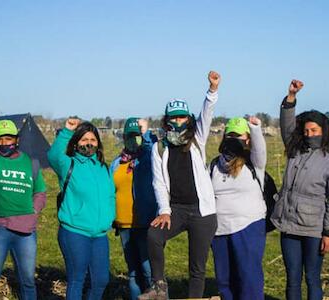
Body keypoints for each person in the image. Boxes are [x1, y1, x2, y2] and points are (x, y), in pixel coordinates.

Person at [138, 71, 221, 300]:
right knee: (154, 235)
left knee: (197, 266)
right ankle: (159, 286)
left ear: (189, 119)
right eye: (173, 118)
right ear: (166, 120)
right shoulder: (160, 148)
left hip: (202, 211)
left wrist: (212, 90)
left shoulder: (198, 139)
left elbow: (207, 114)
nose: (178, 121)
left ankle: (194, 297)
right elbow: (159, 182)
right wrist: (164, 211)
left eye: (182, 117)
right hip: (176, 209)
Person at [270, 80, 329, 300]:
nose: (309, 134)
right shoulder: (296, 151)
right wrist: (291, 98)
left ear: (324, 131)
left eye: (314, 130)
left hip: (313, 229)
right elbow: (287, 127)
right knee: (292, 278)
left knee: (312, 277)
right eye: (306, 130)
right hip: (288, 225)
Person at [47, 118, 115, 300]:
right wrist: (67, 131)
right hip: (74, 232)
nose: (89, 144)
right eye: (84, 140)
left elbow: (110, 196)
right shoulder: (68, 164)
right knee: (77, 279)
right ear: (76, 143)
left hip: (99, 235)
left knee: (101, 280)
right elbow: (53, 155)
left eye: (93, 140)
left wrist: (110, 217)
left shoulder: (103, 167)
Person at [210, 116, 267, 300]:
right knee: (225, 282)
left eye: (238, 136)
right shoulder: (214, 166)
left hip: (248, 227)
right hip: (219, 231)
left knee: (248, 280)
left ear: (247, 139)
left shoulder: (253, 162)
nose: (233, 140)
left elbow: (260, 149)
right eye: (230, 135)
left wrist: (255, 128)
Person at [0, 119, 47, 300]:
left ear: (16, 140)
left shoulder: (30, 163)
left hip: (25, 231)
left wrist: (34, 211)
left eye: (8, 139)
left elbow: (40, 191)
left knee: (28, 281)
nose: (3, 144)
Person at [110, 117, 158, 300]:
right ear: (123, 137)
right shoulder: (117, 163)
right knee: (133, 273)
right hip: (124, 225)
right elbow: (109, 191)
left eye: (136, 136)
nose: (133, 140)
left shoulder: (148, 158)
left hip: (145, 223)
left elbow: (155, 147)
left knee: (148, 271)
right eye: (129, 136)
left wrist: (146, 133)